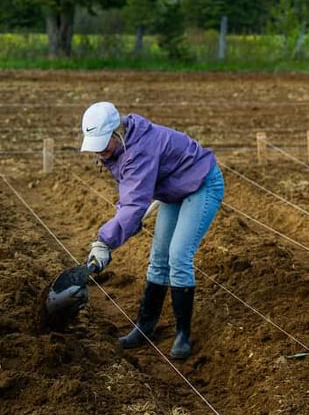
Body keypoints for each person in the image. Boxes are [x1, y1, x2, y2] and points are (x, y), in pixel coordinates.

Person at [80, 101, 224, 361]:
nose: (99, 151)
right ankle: (144, 327)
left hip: (202, 184)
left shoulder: (139, 150)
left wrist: (105, 241)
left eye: (103, 144)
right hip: (174, 189)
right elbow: (131, 197)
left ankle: (183, 334)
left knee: (178, 256)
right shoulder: (121, 147)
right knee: (159, 258)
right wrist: (123, 224)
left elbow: (135, 202)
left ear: (117, 133)